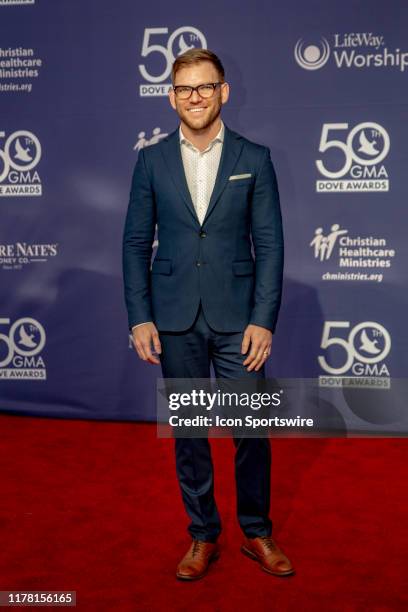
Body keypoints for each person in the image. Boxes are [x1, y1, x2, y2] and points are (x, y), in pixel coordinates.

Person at [122, 48, 294, 580]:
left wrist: (263, 319)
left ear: (224, 91)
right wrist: (140, 316)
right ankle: (202, 535)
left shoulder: (254, 158)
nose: (194, 97)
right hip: (174, 320)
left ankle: (257, 531)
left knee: (250, 431)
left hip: (239, 320)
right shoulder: (150, 160)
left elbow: (270, 245)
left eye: (204, 86)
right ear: (171, 96)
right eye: (184, 89)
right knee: (190, 434)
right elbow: (134, 244)